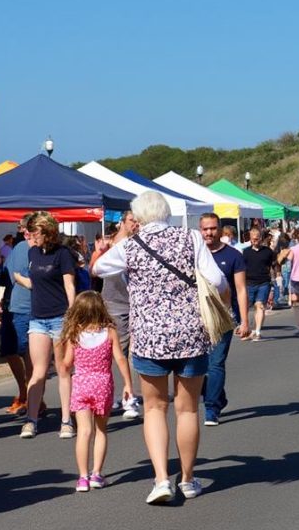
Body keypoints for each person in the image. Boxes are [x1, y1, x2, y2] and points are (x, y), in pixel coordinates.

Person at [92, 191, 227, 504]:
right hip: (191, 334)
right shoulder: (191, 238)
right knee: (188, 408)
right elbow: (218, 280)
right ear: (166, 212)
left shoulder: (130, 245)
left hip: (150, 337)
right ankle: (189, 479)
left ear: (137, 217)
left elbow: (98, 269)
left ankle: (162, 479)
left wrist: (117, 241)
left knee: (154, 408)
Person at [60, 291, 134, 492]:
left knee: (84, 432)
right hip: (102, 383)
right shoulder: (109, 332)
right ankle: (96, 474)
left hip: (82, 383)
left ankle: (82, 477)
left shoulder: (74, 334)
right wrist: (128, 384)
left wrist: (63, 366)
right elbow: (120, 358)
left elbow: (66, 364)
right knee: (101, 430)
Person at [17, 212, 76, 440]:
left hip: (60, 317)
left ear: (47, 232)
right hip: (38, 318)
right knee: (37, 371)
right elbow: (35, 281)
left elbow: (69, 285)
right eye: (30, 232)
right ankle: (31, 420)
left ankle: (66, 420)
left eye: (35, 232)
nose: (31, 236)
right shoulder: (33, 252)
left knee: (63, 370)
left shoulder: (63, 254)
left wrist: (72, 315)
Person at [91, 211, 141, 420]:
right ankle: (119, 394)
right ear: (122, 222)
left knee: (134, 353)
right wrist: (98, 252)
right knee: (117, 352)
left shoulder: (140, 243)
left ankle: (129, 394)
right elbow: (92, 269)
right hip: (113, 302)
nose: (136, 225)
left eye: (138, 221)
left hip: (136, 303)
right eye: (132, 221)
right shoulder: (110, 244)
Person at [200, 213, 249, 426]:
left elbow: (241, 289)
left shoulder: (233, 255)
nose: (209, 233)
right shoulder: (193, 254)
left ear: (219, 229)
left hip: (224, 317)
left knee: (216, 362)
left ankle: (211, 409)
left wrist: (245, 321)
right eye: (205, 229)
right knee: (199, 365)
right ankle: (218, 397)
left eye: (212, 228)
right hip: (198, 317)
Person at [1, 215, 36, 417]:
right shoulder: (19, 248)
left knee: (29, 355)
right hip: (12, 306)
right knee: (10, 350)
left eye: (25, 227)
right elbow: (8, 276)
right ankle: (25, 393)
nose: (22, 231)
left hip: (29, 308)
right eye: (21, 227)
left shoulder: (37, 248)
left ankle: (32, 400)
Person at [241, 226, 276, 341]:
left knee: (260, 306)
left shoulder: (268, 252)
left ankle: (258, 331)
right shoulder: (245, 252)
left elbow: (272, 267)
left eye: (257, 239)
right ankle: (248, 330)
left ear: (261, 238)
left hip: (264, 283)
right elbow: (241, 270)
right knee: (247, 307)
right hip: (249, 283)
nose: (254, 241)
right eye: (252, 239)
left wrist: (274, 284)